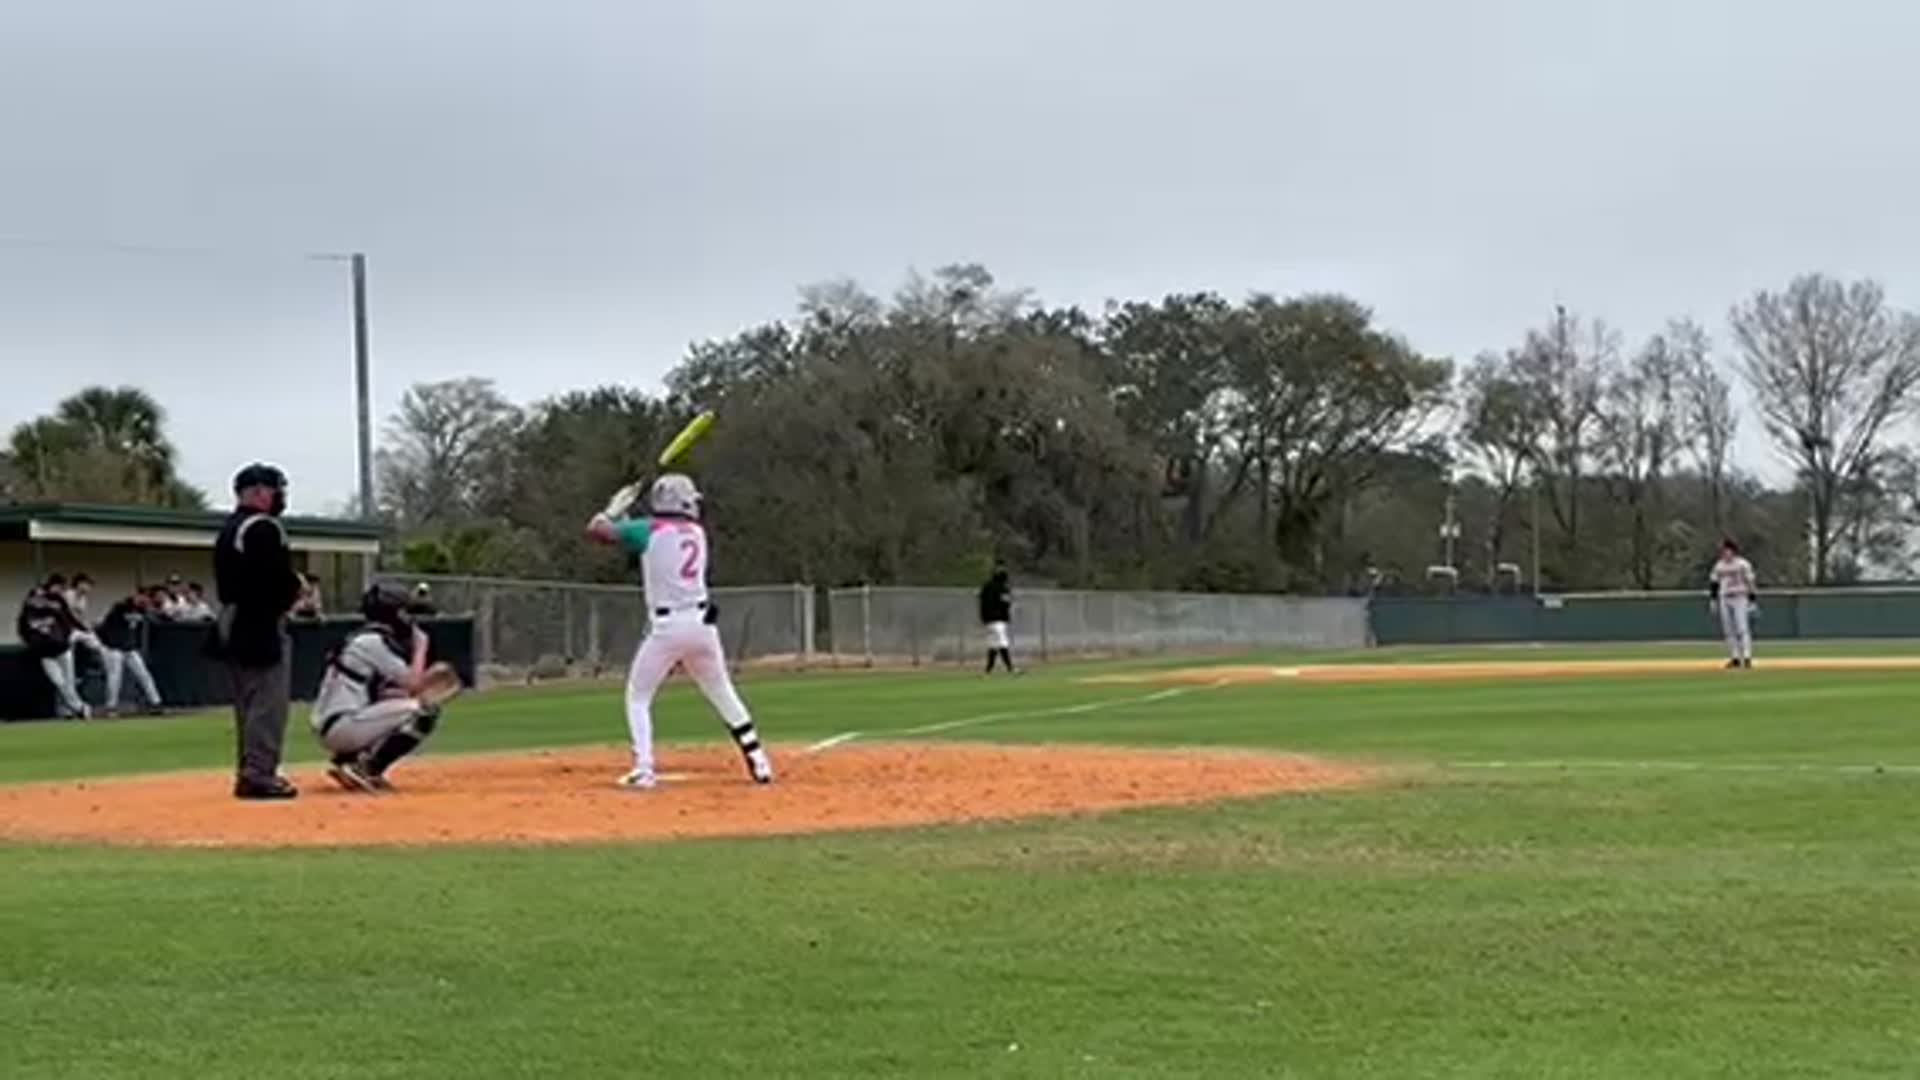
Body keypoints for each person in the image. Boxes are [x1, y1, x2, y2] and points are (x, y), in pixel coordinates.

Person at [585, 473, 772, 789]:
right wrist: (626, 520)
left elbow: (597, 531)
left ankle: (644, 769)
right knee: (722, 692)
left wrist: (611, 511)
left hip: (667, 628)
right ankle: (759, 760)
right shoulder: (696, 532)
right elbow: (648, 543)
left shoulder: (647, 529)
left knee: (638, 697)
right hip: (701, 626)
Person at [209, 462, 305, 800]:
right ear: (259, 492)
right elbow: (275, 578)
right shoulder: (263, 527)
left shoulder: (230, 527)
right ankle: (260, 773)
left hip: (233, 617)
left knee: (248, 700)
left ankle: (251, 769)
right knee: (268, 699)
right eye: (275, 489)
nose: (280, 496)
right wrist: (296, 590)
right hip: (258, 619)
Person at [309, 584, 447, 793]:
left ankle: (350, 761)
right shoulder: (373, 642)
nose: (409, 620)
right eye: (405, 612)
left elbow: (381, 693)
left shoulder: (363, 638)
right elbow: (413, 684)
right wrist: (421, 648)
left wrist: (401, 697)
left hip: (336, 723)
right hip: (343, 726)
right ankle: (366, 768)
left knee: (400, 704)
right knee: (425, 711)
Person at [15, 582, 89, 719]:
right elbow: (22, 632)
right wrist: (33, 644)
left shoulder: (54, 610)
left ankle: (72, 711)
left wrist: (66, 639)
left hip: (62, 650)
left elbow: (67, 624)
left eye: (41, 597)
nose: (38, 600)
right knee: (58, 682)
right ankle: (80, 707)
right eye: (35, 598)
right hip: (45, 654)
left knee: (69, 682)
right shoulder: (26, 615)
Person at [94, 589, 166, 716]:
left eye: (147, 599)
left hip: (128, 648)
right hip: (113, 647)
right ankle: (111, 707)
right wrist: (134, 600)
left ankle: (156, 703)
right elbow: (121, 608)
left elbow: (155, 614)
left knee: (144, 674)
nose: (144, 601)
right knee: (115, 677)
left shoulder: (142, 610)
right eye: (142, 598)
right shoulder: (121, 606)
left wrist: (153, 606)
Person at [1708, 537, 1758, 670]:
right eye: (1723, 550)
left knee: (1742, 628)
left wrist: (1752, 600)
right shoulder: (1719, 565)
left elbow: (1750, 582)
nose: (1725, 553)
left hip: (1740, 597)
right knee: (1728, 630)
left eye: (1727, 550)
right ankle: (1735, 658)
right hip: (1724, 598)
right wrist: (1713, 600)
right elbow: (1714, 583)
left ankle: (1747, 657)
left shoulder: (1743, 564)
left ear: (1733, 551)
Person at [978, 566, 1017, 674]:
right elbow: (1006, 602)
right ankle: (1010, 668)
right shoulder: (1002, 588)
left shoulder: (986, 586)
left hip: (987, 620)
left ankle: (988, 670)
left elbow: (981, 601)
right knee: (1002, 642)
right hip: (998, 619)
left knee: (993, 644)